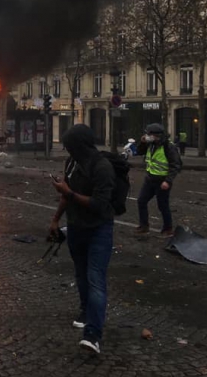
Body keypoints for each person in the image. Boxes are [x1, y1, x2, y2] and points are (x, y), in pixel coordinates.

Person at [50, 124, 116, 355]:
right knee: (80, 275)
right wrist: (56, 220)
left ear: (81, 145)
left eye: (70, 146)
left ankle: (93, 334)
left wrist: (68, 193)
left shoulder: (102, 167)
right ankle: (85, 311)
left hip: (99, 229)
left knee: (95, 278)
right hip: (77, 227)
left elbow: (99, 204)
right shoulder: (72, 163)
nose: (68, 151)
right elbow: (66, 195)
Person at [135, 123, 182, 238]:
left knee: (163, 206)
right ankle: (144, 226)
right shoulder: (151, 144)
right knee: (141, 200)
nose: (147, 136)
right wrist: (142, 142)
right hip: (150, 178)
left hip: (162, 181)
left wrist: (168, 181)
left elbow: (176, 165)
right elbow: (139, 152)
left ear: (156, 135)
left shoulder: (168, 146)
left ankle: (168, 229)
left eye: (148, 134)